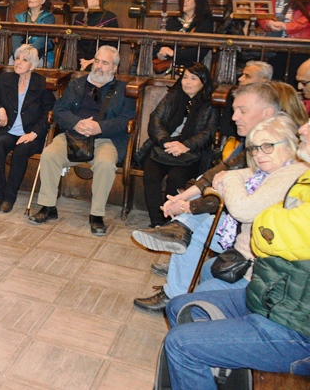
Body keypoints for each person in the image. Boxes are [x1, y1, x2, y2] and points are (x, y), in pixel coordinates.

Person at [161, 119, 310, 389]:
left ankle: (206, 358)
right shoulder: (300, 178)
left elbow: (260, 228)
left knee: (180, 343)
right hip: (275, 298)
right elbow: (243, 185)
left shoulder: (295, 175)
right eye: (255, 148)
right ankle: (215, 373)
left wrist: (232, 183)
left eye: (268, 146)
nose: (303, 129)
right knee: (179, 305)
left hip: (297, 328)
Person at [131, 82, 281, 312]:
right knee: (194, 225)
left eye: (242, 111)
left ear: (267, 113)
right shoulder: (256, 143)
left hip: (258, 235)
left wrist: (188, 206)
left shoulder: (274, 151)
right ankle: (176, 253)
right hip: (238, 220)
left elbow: (229, 199)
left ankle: (175, 275)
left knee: (195, 227)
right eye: (234, 110)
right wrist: (184, 199)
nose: (234, 117)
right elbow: (218, 173)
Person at [29, 45, 136, 235]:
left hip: (105, 139)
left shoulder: (123, 90)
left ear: (114, 68)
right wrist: (76, 123)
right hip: (73, 135)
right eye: (97, 61)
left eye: (105, 63)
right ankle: (48, 207)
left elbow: (126, 120)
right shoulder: (77, 85)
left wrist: (100, 127)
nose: (99, 66)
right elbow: (59, 111)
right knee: (49, 154)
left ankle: (96, 215)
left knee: (105, 164)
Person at [194, 114, 305, 292]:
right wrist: (231, 178)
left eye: (268, 146)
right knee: (208, 267)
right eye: (255, 148)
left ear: (289, 144)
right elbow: (240, 175)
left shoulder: (291, 173)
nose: (259, 155)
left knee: (202, 291)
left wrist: (229, 177)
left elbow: (242, 210)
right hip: (245, 255)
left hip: (262, 271)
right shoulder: (267, 172)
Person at [137, 63, 219, 228]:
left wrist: (186, 145)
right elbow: (155, 120)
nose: (187, 82)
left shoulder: (210, 103)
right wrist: (165, 141)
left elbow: (210, 132)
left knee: (175, 178)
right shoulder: (172, 96)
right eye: (185, 77)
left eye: (193, 79)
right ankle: (157, 222)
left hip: (192, 154)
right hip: (164, 148)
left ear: (203, 82)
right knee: (151, 175)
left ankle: (170, 222)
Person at [0, 44, 55, 213]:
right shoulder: (6, 79)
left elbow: (49, 113)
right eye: (17, 58)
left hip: (31, 133)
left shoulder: (41, 84)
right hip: (8, 130)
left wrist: (34, 133)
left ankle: (9, 196)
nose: (18, 62)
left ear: (33, 65)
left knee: (21, 150)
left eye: (24, 60)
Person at [156, 0, 215, 69]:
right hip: (167, 65)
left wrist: (174, 54)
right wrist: (161, 52)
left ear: (198, 1)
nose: (184, 1)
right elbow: (162, 41)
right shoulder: (174, 19)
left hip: (190, 68)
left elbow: (199, 51)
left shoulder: (204, 23)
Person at [72, 0, 119, 70]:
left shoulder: (109, 17)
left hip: (101, 61)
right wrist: (82, 60)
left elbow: (111, 45)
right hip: (79, 60)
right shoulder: (79, 17)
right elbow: (76, 43)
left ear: (99, 0)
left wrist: (91, 61)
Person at [13, 0, 56, 68]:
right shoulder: (20, 17)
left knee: (27, 65)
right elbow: (16, 38)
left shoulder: (48, 18)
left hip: (41, 55)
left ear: (43, 1)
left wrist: (28, 53)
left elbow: (42, 40)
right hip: (20, 53)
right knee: (12, 63)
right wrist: (19, 53)